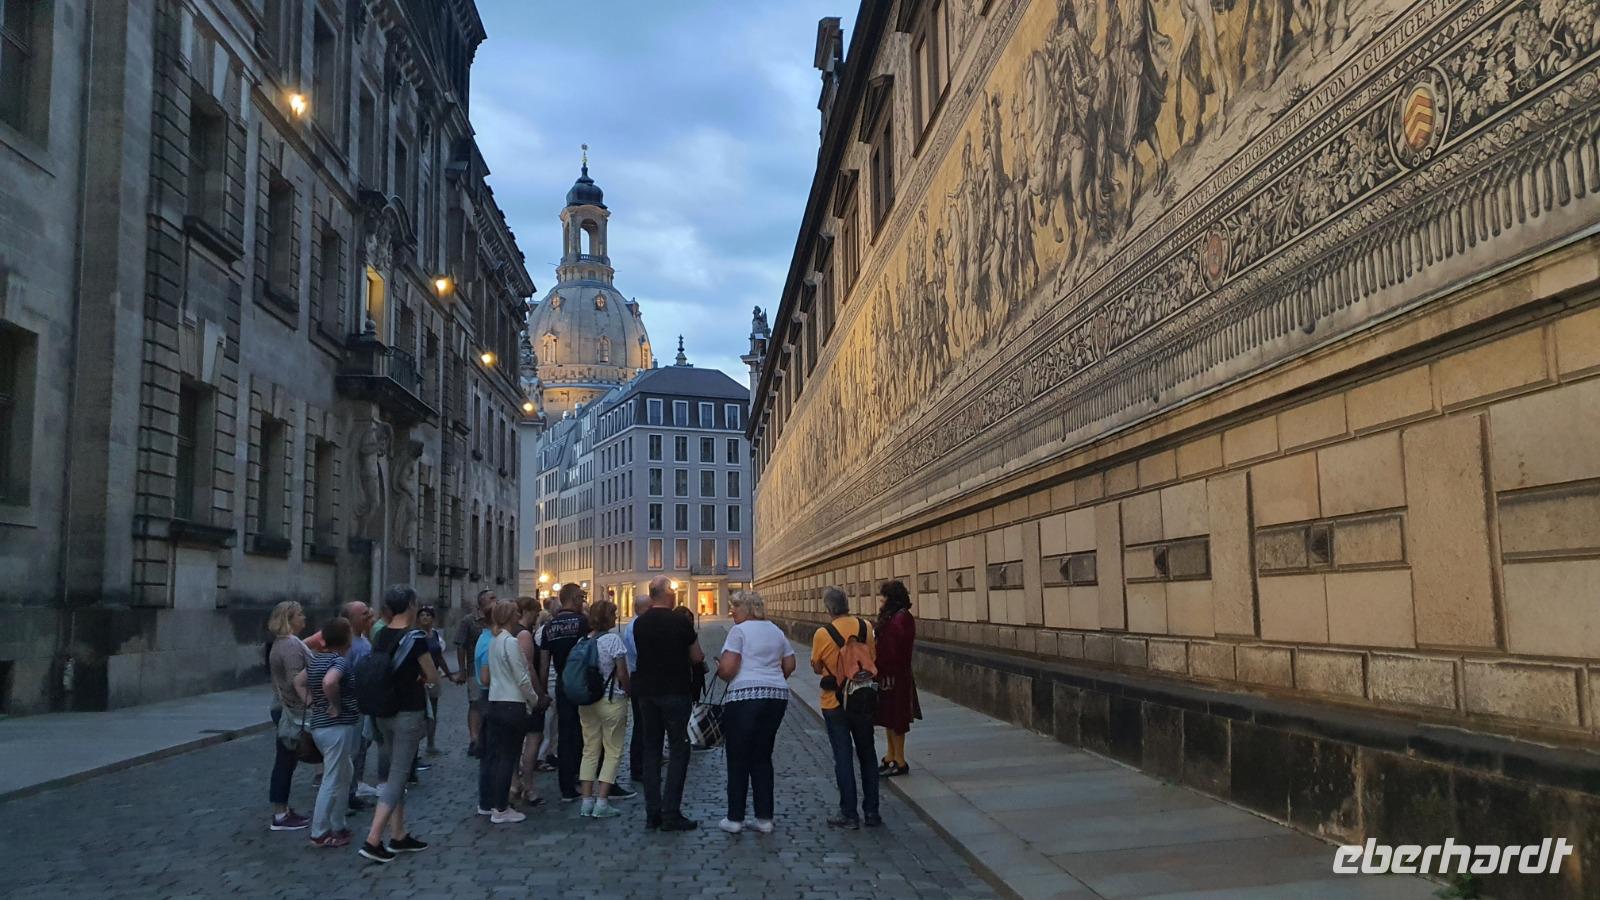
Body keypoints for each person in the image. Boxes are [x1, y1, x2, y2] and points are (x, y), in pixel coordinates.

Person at [359, 585, 438, 864]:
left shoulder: (380, 634)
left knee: (395, 772)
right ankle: (373, 839)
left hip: (383, 710)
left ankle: (398, 834)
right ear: (412, 605)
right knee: (398, 774)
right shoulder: (415, 637)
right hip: (408, 711)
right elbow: (432, 676)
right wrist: (421, 679)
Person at [715, 591, 795, 834]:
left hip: (745, 698)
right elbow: (790, 664)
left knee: (738, 756)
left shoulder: (739, 631)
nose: (732, 611)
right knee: (762, 756)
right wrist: (772, 678)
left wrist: (721, 669)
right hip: (776, 697)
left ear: (748, 608)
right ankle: (764, 818)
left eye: (736, 606)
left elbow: (728, 668)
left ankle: (735, 818)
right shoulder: (776, 630)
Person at [633, 575, 704, 831]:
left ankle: (652, 813)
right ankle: (671, 812)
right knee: (678, 750)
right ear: (668, 594)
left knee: (651, 750)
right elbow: (697, 656)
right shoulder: (680, 621)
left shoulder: (640, 623)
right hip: (675, 691)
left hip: (647, 693)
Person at [811, 586, 881, 829]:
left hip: (834, 702)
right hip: (862, 699)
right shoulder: (865, 627)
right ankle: (872, 812)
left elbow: (816, 666)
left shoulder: (823, 633)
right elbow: (872, 658)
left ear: (828, 608)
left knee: (843, 757)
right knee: (868, 755)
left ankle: (849, 814)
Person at [297, 617, 359, 848]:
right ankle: (319, 831)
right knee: (332, 778)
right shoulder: (339, 662)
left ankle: (338, 823)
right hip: (336, 726)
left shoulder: (316, 660)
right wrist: (334, 705)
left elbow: (298, 682)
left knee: (345, 772)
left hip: (320, 726)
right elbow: (330, 682)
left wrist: (312, 702)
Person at [482, 600, 545, 824]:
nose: (519, 615)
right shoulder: (510, 642)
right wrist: (534, 699)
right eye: (516, 613)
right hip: (512, 704)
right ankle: (501, 808)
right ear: (510, 616)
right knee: (507, 758)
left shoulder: (494, 641)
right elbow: (522, 676)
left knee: (500, 757)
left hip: (496, 702)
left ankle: (494, 803)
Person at [577, 599, 631, 819]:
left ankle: (586, 801)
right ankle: (602, 801)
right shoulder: (613, 640)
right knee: (612, 751)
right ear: (608, 618)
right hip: (611, 700)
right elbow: (622, 673)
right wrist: (629, 690)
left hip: (587, 701)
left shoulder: (583, 640)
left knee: (589, 750)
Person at [536, 583, 590, 802]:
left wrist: (543, 691)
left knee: (565, 734)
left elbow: (544, 662)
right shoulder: (582, 622)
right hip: (582, 682)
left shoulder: (549, 627)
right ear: (574, 598)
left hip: (562, 682)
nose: (583, 601)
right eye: (582, 597)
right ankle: (580, 774)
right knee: (583, 731)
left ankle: (565, 784)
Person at [267, 601, 311, 832]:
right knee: (285, 762)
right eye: (300, 614)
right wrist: (309, 705)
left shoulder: (281, 643)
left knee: (286, 762)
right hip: (292, 710)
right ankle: (280, 814)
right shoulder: (291, 645)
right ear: (289, 619)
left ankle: (281, 810)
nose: (304, 617)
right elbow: (296, 682)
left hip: (284, 707)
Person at [874, 580, 922, 777]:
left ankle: (900, 760)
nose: (881, 601)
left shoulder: (901, 618)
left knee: (897, 718)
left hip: (896, 676)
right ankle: (890, 755)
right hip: (888, 674)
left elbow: (892, 649)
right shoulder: (895, 616)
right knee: (889, 717)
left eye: (884, 597)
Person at [512, 597, 550, 803]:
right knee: (533, 739)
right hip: (527, 696)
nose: (537, 616)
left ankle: (515, 783)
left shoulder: (507, 632)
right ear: (527, 611)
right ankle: (528, 787)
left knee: (516, 741)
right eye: (536, 612)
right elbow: (528, 667)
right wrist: (539, 694)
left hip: (513, 695)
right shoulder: (524, 634)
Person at [456, 590, 495, 756]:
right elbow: (460, 645)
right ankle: (474, 738)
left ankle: (487, 737)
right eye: (492, 598)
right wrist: (462, 670)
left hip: (494, 669)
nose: (495, 600)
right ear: (481, 602)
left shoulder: (497, 618)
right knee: (475, 703)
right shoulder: (469, 620)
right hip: (474, 668)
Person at [417, 605, 458, 757]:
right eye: (422, 615)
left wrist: (449, 674)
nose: (425, 618)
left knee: (433, 711)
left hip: (433, 676)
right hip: (419, 679)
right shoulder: (415, 635)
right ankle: (415, 745)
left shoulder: (434, 635)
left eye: (428, 615)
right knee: (419, 712)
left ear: (433, 619)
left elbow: (439, 657)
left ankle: (431, 743)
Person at [622, 594, 651, 790]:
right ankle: (638, 766)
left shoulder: (638, 625)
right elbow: (641, 653)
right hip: (640, 675)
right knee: (641, 724)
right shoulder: (635, 627)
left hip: (641, 675)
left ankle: (643, 763)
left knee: (645, 724)